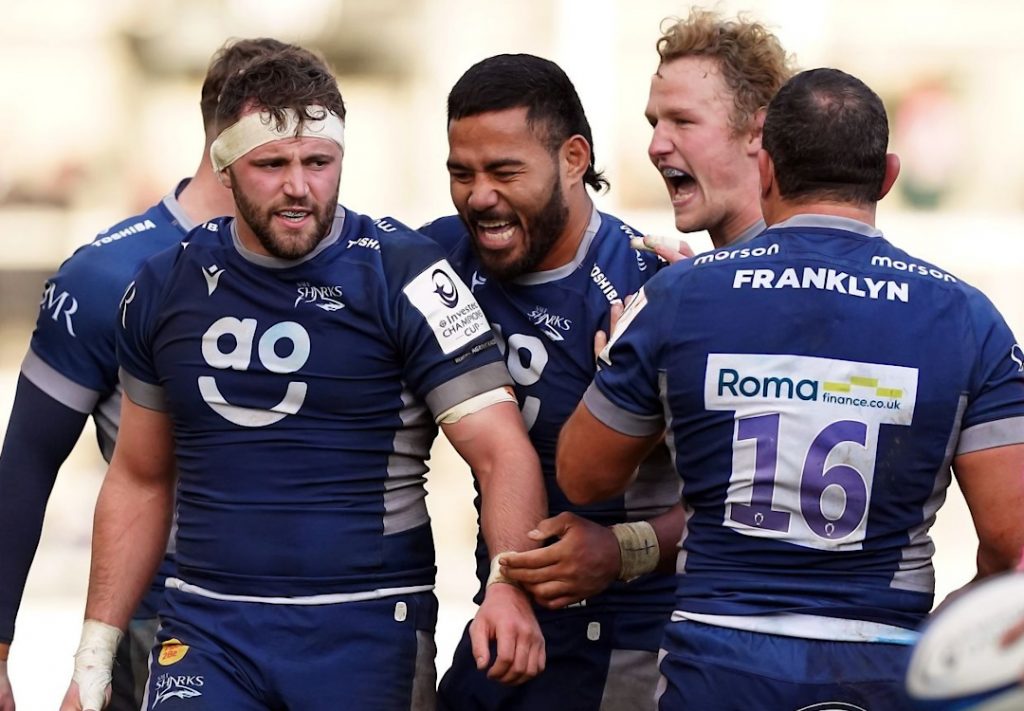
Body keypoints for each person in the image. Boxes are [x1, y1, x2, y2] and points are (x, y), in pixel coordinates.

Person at [59, 47, 547, 710]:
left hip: (366, 628)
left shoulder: (406, 274)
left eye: (319, 162)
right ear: (224, 166)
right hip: (207, 630)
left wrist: (509, 587)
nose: (299, 186)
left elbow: (501, 451)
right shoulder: (161, 285)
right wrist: (92, 660)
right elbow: (139, 477)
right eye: (273, 164)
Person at [557, 67, 1024, 710]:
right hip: (880, 662)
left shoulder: (680, 297)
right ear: (888, 176)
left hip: (717, 663)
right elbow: (1012, 548)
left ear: (766, 169)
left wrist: (634, 366)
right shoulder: (969, 318)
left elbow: (582, 477)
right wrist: (933, 640)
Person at [0, 37, 296, 711]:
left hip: (336, 625)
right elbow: (25, 463)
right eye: (281, 150)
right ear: (228, 137)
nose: (302, 180)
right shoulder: (107, 275)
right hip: (164, 629)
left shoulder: (352, 265)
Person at [420, 53, 683, 710]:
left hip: (625, 641)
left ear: (572, 159)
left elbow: (744, 506)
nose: (480, 196)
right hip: (502, 617)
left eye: (505, 171)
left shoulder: (653, 286)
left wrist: (626, 548)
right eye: (462, 173)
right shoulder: (430, 265)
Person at [638, 9, 792, 262]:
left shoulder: (800, 275)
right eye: (654, 123)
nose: (655, 147)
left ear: (757, 132)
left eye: (683, 121)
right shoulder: (717, 277)